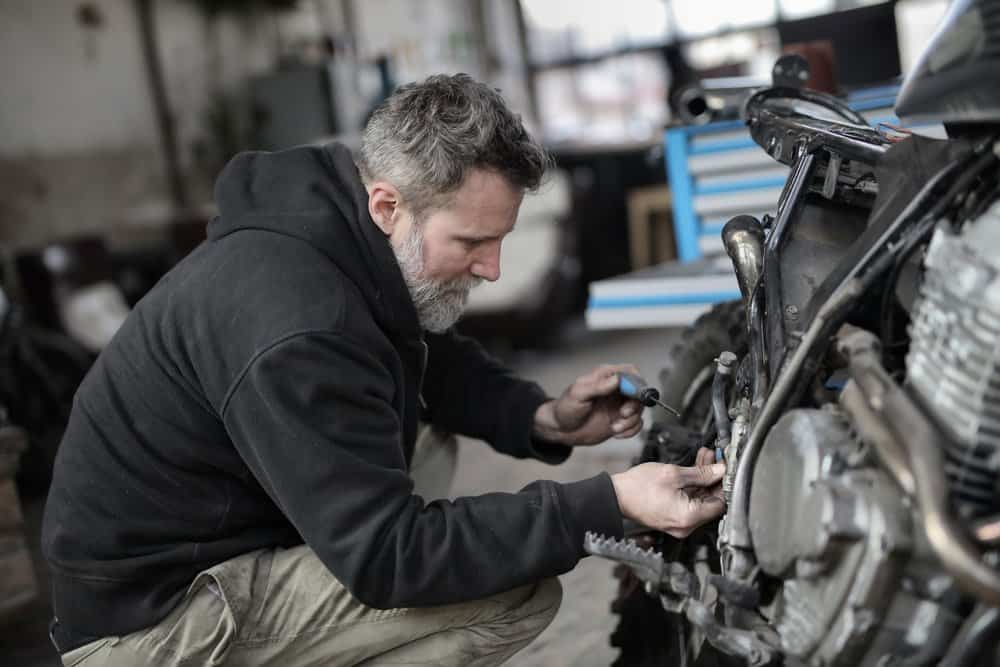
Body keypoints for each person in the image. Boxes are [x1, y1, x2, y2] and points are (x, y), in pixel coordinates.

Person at [42, 73, 725, 666]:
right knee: (510, 592)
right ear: (388, 205)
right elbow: (390, 555)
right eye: (474, 241)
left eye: (500, 240)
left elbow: (422, 352)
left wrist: (541, 416)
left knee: (432, 435)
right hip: (153, 622)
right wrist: (610, 501)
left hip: (208, 541)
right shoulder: (299, 324)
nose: (491, 268)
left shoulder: (338, 229)